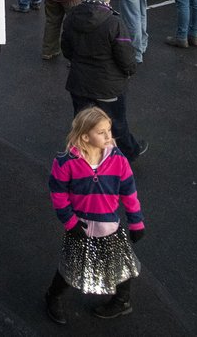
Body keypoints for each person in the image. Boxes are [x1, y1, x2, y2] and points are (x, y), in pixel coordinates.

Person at [45, 107, 144, 323]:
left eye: (109, 130)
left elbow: (129, 193)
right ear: (85, 136)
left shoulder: (118, 160)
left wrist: (136, 222)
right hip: (79, 227)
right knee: (71, 266)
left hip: (110, 227)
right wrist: (70, 222)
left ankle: (122, 300)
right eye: (101, 132)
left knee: (120, 265)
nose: (109, 136)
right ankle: (53, 296)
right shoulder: (65, 162)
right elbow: (58, 195)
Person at [61, 0, 146, 161]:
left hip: (79, 84)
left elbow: (66, 49)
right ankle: (129, 152)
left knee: (83, 123)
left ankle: (84, 156)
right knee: (115, 123)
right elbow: (126, 56)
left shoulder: (71, 17)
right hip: (108, 86)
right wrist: (129, 71)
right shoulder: (113, 22)